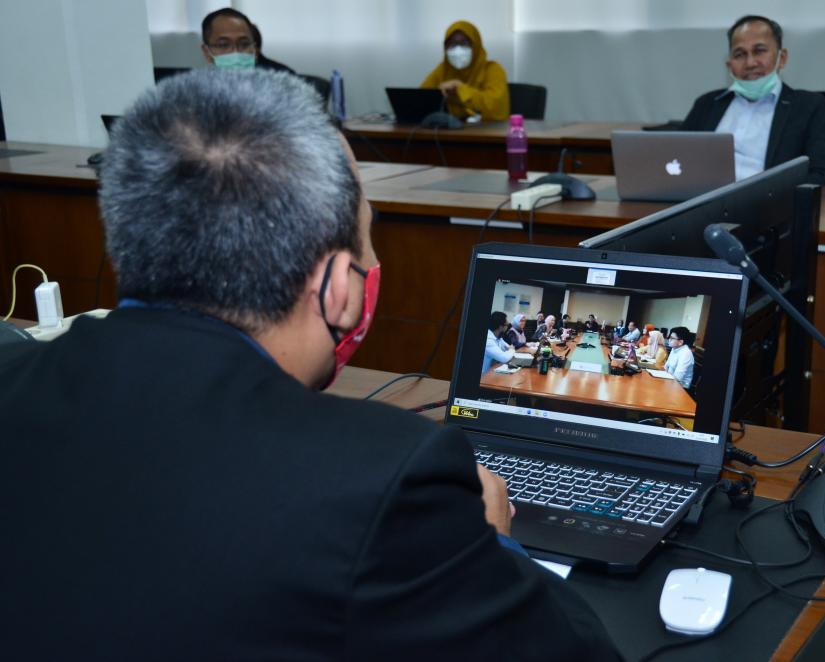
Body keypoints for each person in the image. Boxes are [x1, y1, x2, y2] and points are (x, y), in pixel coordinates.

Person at [0, 70, 619, 660]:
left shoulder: (13, 374)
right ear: (336, 289)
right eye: (367, 240)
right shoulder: (385, 479)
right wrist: (495, 543)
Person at [681, 15, 825, 186]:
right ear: (730, 65)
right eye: (740, 54)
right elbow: (675, 160)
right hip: (702, 199)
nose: (750, 63)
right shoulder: (707, 104)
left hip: (772, 200)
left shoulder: (809, 107)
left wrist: (773, 195)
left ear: (782, 58)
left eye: (759, 51)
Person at [420, 20, 510, 122]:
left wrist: (460, 88)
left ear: (476, 45)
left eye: (464, 43)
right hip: (448, 130)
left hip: (485, 130)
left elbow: (496, 109)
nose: (458, 50)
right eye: (452, 44)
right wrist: (438, 94)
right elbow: (420, 100)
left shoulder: (492, 70)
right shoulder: (443, 70)